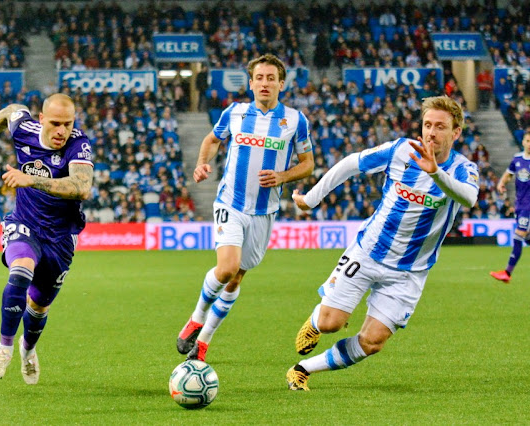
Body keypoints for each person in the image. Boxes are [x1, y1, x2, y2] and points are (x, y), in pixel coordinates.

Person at [286, 95, 479, 391]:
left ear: (456, 133)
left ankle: (302, 369)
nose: (431, 132)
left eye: (440, 127)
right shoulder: (402, 150)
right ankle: (315, 321)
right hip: (368, 253)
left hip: (409, 272)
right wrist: (311, 199)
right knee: (330, 324)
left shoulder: (463, 169)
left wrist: (434, 173)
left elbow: (469, 197)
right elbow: (352, 164)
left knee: (373, 341)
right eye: (427, 124)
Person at [176, 54, 315, 362]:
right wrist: (201, 164)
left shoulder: (295, 120)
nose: (265, 83)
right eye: (259, 78)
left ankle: (204, 342)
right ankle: (196, 318)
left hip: (265, 211)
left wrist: (282, 176)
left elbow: (308, 164)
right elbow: (213, 140)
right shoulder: (236, 113)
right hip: (231, 203)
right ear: (251, 84)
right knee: (226, 268)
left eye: (271, 78)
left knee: (237, 277)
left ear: (281, 84)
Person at [0, 93, 93, 384]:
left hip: (60, 237)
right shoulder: (25, 130)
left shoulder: (78, 144)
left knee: (38, 306)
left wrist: (31, 179)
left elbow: (82, 187)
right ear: (42, 120)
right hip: (25, 223)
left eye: (68, 123)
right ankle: (4, 349)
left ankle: (28, 349)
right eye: (56, 123)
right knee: (21, 269)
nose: (62, 131)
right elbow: (8, 111)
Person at [490, 132, 530, 283]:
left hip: (528, 206)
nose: (529, 143)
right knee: (525, 237)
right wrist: (501, 183)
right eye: (528, 140)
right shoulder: (518, 159)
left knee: (518, 236)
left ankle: (507, 272)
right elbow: (508, 174)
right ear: (523, 142)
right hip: (519, 204)